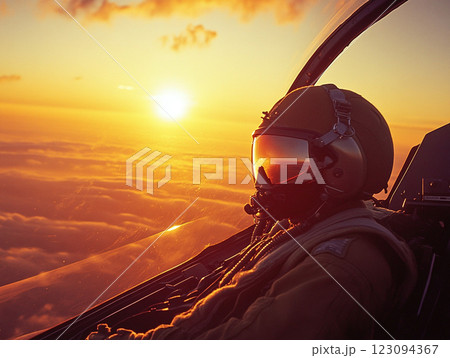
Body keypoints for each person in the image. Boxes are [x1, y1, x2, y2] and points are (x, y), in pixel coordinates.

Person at [87, 84, 417, 339]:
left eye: (286, 158)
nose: (264, 174)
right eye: (266, 155)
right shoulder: (303, 224)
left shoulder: (341, 265)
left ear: (341, 167)